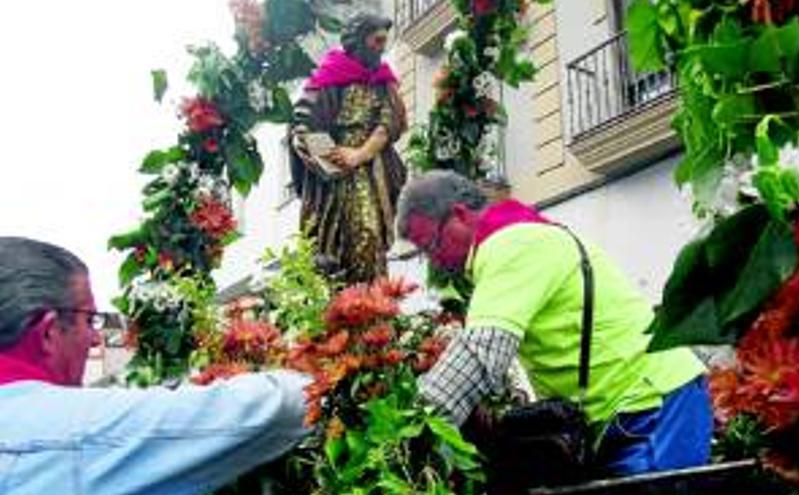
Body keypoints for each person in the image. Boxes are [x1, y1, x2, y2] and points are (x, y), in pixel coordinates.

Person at [396, 171, 712, 475]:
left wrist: (409, 429)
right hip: (630, 406)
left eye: (432, 245)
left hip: (653, 401)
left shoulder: (512, 244)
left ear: (460, 215)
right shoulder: (518, 238)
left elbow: (482, 351)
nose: (433, 261)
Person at [0, 237, 311, 494]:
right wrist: (317, 374)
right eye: (88, 319)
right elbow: (271, 411)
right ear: (49, 331)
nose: (96, 339)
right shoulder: (71, 432)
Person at [288, 13, 408, 284]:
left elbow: (389, 124)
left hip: (370, 169)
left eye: (384, 41)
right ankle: (345, 306)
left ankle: (372, 308)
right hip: (336, 170)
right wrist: (330, 160)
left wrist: (360, 154)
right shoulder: (330, 74)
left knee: (369, 236)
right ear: (360, 40)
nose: (382, 47)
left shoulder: (383, 80)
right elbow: (302, 123)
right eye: (377, 40)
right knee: (335, 243)